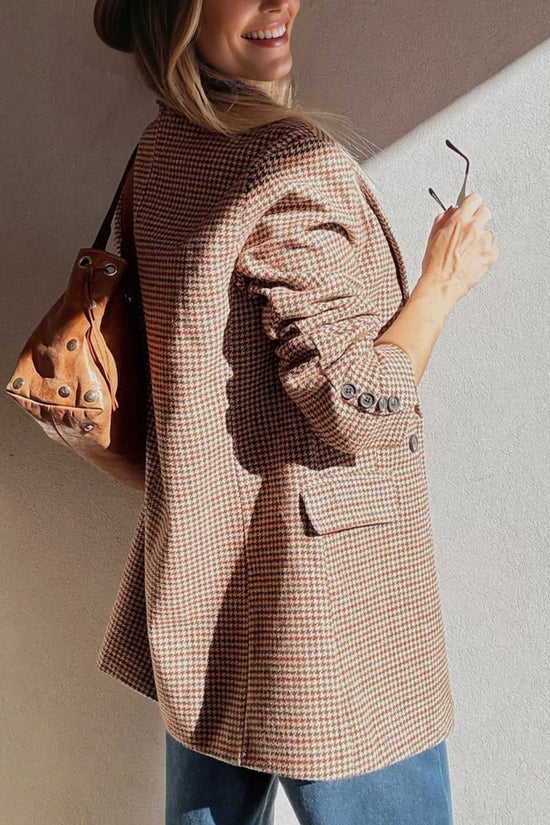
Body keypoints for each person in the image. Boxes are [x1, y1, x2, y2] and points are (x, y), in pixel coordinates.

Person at [93, 2, 499, 823]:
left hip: (207, 587)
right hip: (336, 614)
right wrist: (441, 283)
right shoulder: (288, 163)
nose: (279, 1)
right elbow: (358, 408)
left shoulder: (163, 148)